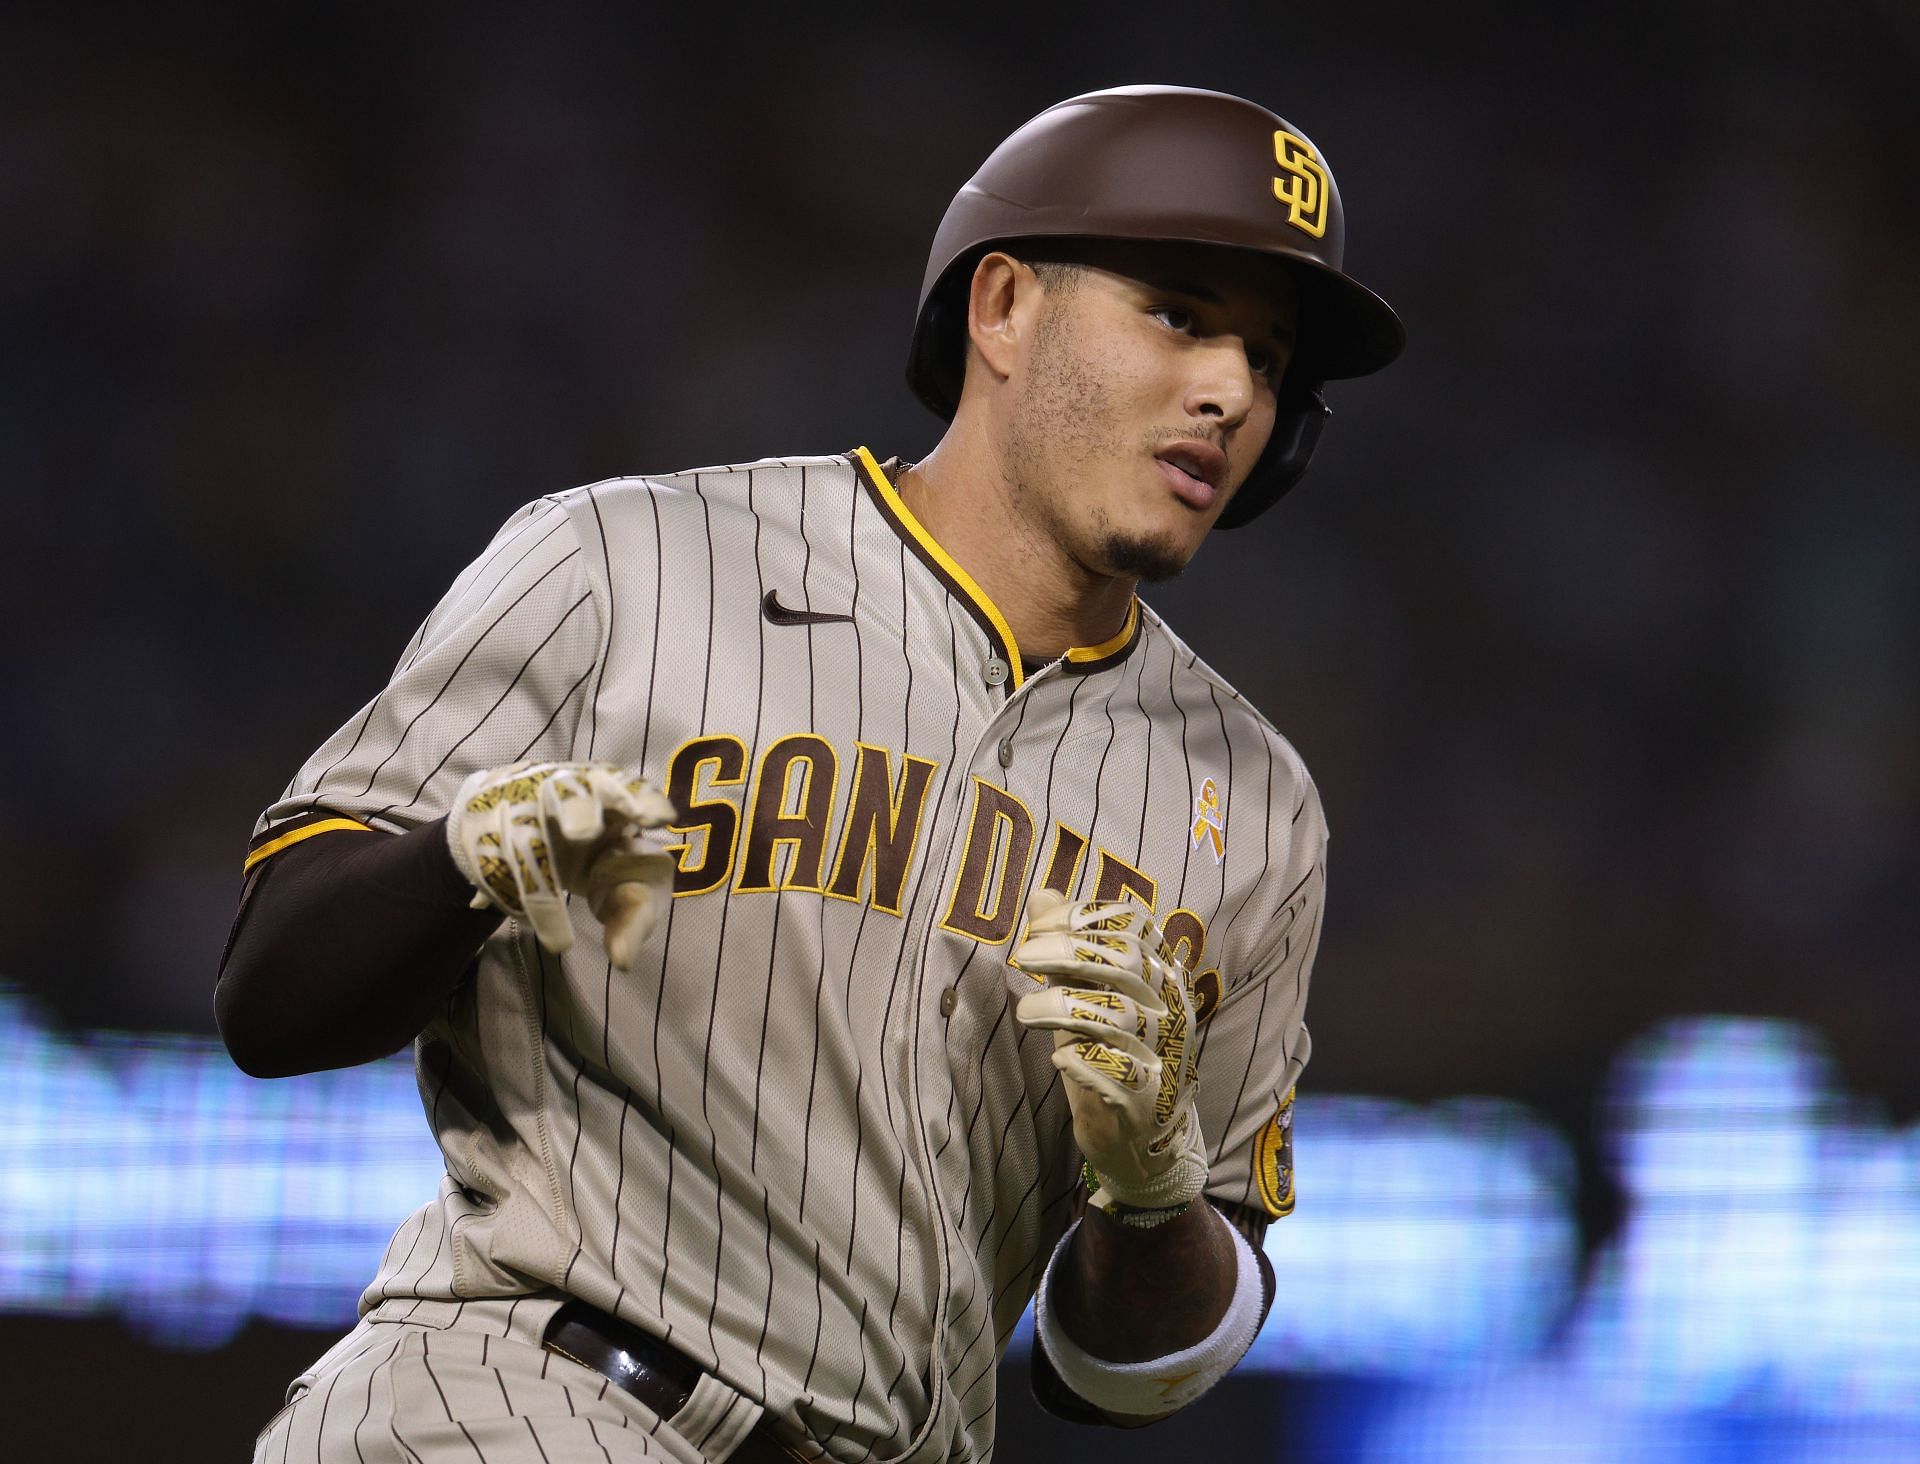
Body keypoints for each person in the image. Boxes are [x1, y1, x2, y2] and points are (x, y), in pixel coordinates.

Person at [218, 83, 1404, 1464]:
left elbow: (1128, 1377)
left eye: (1267, 362)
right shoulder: (626, 563)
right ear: (1004, 308)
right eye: (1181, 315)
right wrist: (457, 862)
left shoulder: (1254, 806)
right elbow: (270, 1001)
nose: (1228, 390)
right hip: (523, 1398)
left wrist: (1154, 1194)